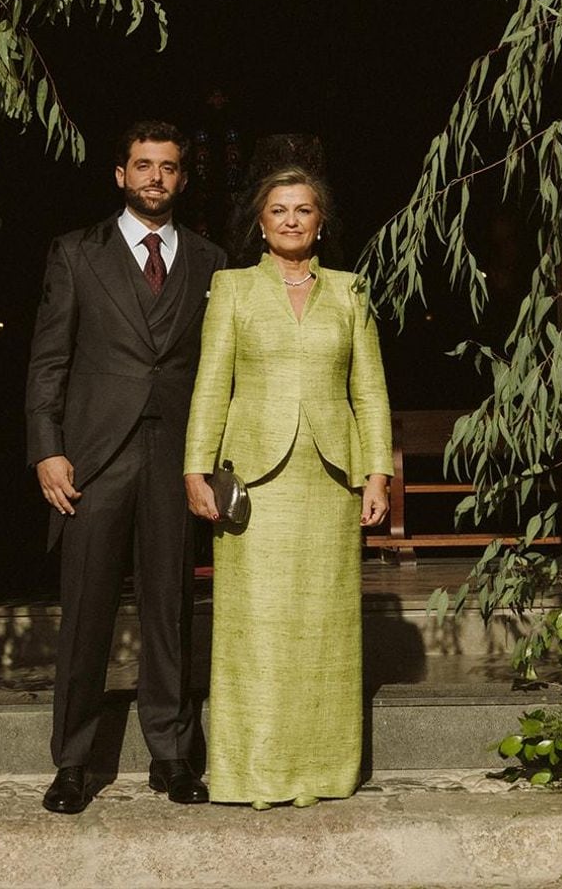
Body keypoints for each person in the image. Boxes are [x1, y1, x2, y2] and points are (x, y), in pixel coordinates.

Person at [26, 120, 226, 814]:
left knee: (171, 608)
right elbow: (49, 360)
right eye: (143, 165)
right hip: (93, 457)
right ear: (121, 174)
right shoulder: (76, 253)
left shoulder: (210, 260)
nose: (155, 177)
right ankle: (73, 762)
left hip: (176, 456)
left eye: (168, 167)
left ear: (182, 178)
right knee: (87, 612)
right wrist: (47, 448)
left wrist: (213, 459)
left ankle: (172, 754)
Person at [183, 164, 393, 808]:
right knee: (255, 626)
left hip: (329, 482)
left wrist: (378, 472)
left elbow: (370, 391)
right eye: (279, 210)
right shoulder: (233, 288)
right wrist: (195, 468)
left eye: (303, 209)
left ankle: (324, 771)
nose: (292, 220)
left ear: (320, 222)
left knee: (326, 627)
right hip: (254, 481)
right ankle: (251, 772)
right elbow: (212, 385)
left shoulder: (351, 292)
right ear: (261, 222)